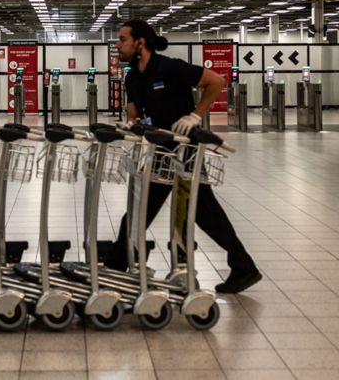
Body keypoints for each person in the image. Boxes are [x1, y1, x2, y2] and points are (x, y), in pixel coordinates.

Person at [105, 20, 261, 294]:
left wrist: (195, 115)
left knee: (200, 214)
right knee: (146, 212)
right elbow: (133, 110)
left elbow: (216, 82)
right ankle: (243, 267)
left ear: (140, 42)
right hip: (160, 152)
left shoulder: (171, 67)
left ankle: (115, 268)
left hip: (185, 152)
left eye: (122, 39)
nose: (118, 44)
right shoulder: (132, 76)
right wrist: (133, 123)